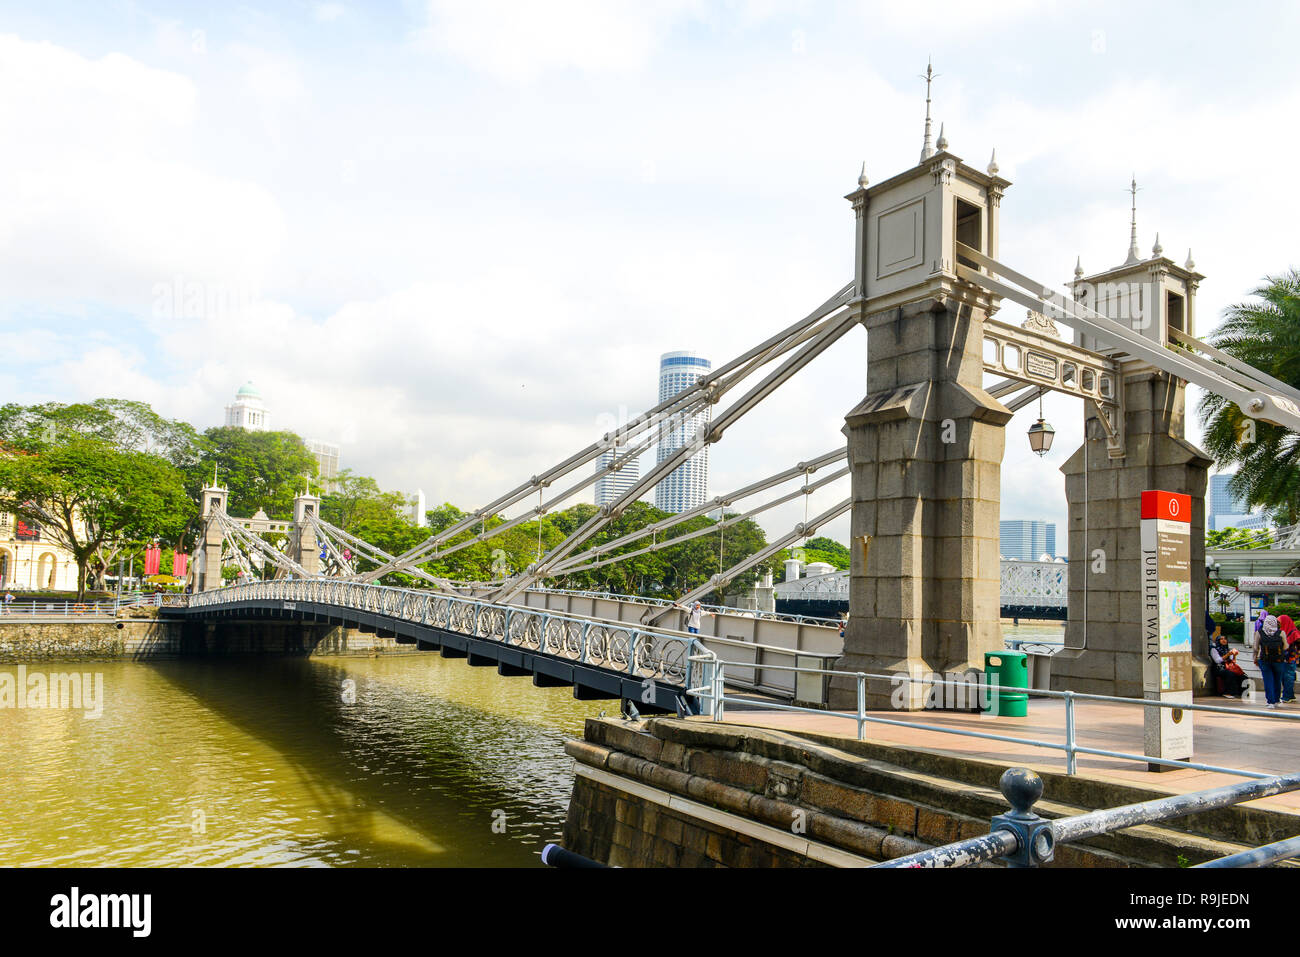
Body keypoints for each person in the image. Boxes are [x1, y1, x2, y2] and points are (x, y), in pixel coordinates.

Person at [1254, 614, 1287, 708]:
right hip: (1279, 660)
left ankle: (1270, 702)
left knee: (1268, 680)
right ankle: (1276, 699)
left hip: (1264, 659)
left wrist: (1255, 658)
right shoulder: (1281, 633)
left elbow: (1256, 648)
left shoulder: (1259, 633)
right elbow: (1286, 646)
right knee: (1277, 679)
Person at [1210, 634, 1244, 698]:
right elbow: (1217, 660)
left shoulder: (1227, 649)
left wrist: (1234, 655)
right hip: (1219, 668)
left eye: (1225, 639)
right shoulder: (1214, 649)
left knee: (1242, 675)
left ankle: (1240, 692)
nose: (1224, 640)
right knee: (1230, 674)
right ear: (1218, 641)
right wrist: (1228, 654)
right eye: (1221, 639)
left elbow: (1232, 661)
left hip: (1228, 666)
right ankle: (1228, 692)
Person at [1280, 614, 1300, 704]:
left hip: (1291, 659)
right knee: (1285, 677)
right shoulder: (1282, 632)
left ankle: (1287, 696)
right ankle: (1290, 695)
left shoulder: (1294, 632)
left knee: (1288, 677)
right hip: (1284, 658)